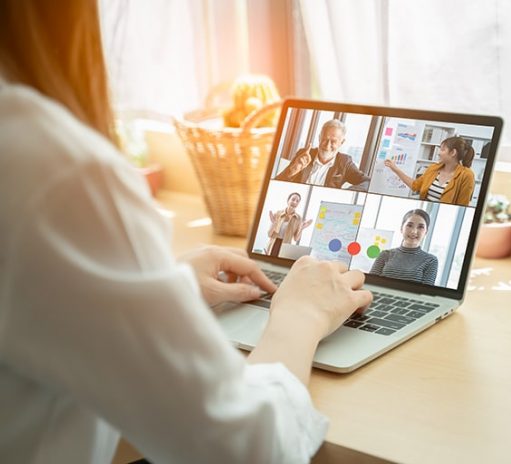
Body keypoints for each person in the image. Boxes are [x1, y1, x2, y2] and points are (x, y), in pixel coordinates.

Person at [0, 2, 372, 463]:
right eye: (330, 140)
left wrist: (151, 286)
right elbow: (245, 451)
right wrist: (299, 316)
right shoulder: (53, 168)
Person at [276, 119, 370, 190]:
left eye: (333, 141)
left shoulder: (345, 162)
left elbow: (367, 182)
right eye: (325, 139)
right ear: (319, 137)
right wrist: (292, 171)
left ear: (342, 142)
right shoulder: (304, 154)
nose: (327, 145)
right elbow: (276, 183)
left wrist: (345, 193)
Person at [385, 136, 476, 205]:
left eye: (442, 149)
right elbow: (415, 186)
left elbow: (462, 205)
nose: (439, 153)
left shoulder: (467, 175)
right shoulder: (433, 168)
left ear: (453, 153)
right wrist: (395, 169)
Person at [370, 209, 439, 285]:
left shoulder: (430, 261)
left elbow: (426, 293)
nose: (414, 231)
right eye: (409, 225)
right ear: (401, 228)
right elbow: (371, 283)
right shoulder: (385, 254)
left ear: (426, 232)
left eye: (420, 227)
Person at [265, 192, 313, 256]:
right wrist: (274, 223)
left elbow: (296, 239)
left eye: (297, 201)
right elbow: (269, 234)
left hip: (285, 246)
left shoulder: (298, 219)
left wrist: (302, 228)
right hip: (273, 244)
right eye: (293, 199)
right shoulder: (278, 213)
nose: (295, 202)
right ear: (288, 200)